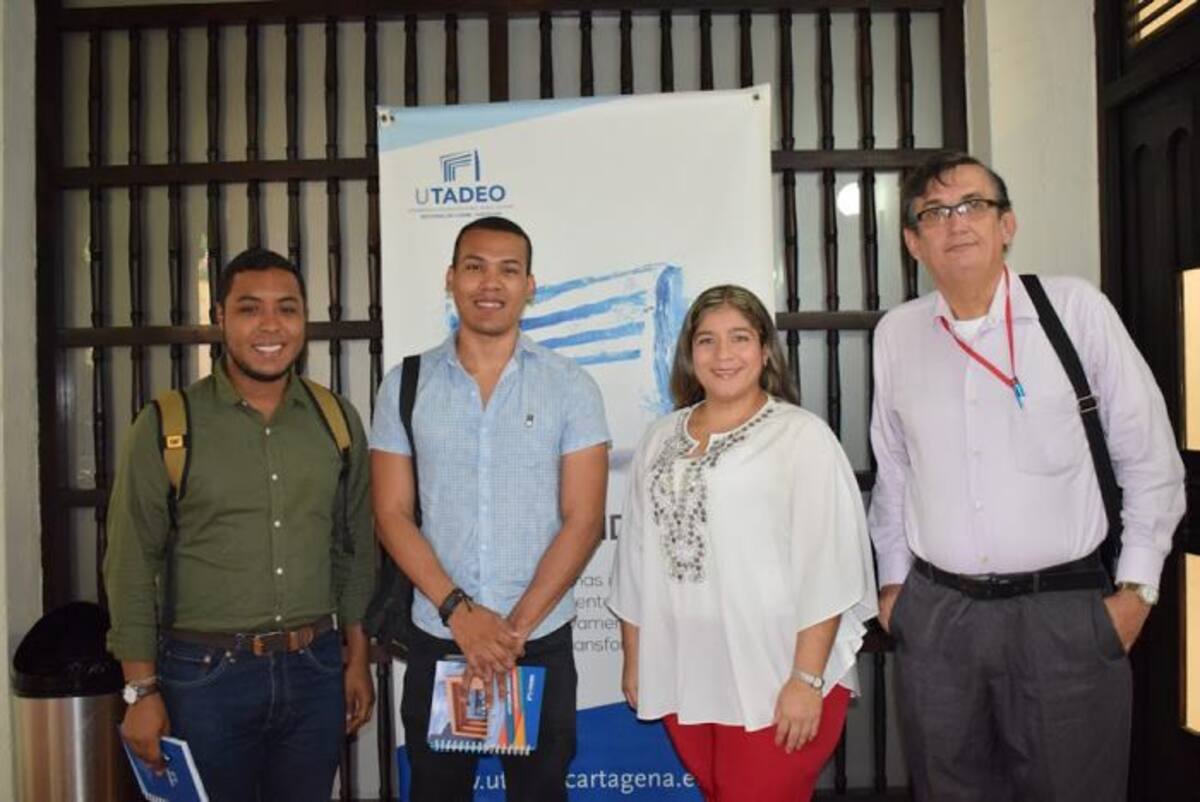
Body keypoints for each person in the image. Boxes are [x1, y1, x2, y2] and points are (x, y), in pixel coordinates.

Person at [868, 151, 1186, 802]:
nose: (956, 224)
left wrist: (1138, 592)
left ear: (1007, 224)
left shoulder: (1074, 310)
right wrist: (895, 586)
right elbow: (894, 467)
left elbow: (1150, 457)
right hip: (939, 617)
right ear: (912, 241)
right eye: (934, 212)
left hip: (1064, 615)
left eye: (974, 206)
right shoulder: (897, 334)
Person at [104, 248, 376, 802]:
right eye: (250, 309)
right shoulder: (166, 424)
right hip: (204, 679)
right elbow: (132, 563)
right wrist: (139, 691)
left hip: (315, 668)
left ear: (305, 320)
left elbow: (353, 548)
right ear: (221, 318)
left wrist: (356, 659)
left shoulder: (337, 421)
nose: (271, 325)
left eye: (288, 308)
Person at [370, 216, 610, 801]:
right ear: (451, 279)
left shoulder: (570, 386)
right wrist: (461, 616)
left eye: (508, 270)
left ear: (531, 285)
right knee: (437, 792)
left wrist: (509, 632)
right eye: (474, 267)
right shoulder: (406, 384)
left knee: (538, 793)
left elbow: (583, 521)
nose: (489, 283)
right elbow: (392, 513)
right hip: (439, 640)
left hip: (537, 642)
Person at [609, 284, 878, 802]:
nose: (723, 354)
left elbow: (830, 563)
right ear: (689, 353)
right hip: (686, 667)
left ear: (764, 349)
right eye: (707, 341)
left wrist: (806, 678)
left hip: (778, 669)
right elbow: (635, 556)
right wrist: (636, 657)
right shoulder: (661, 437)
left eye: (739, 338)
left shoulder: (800, 436)